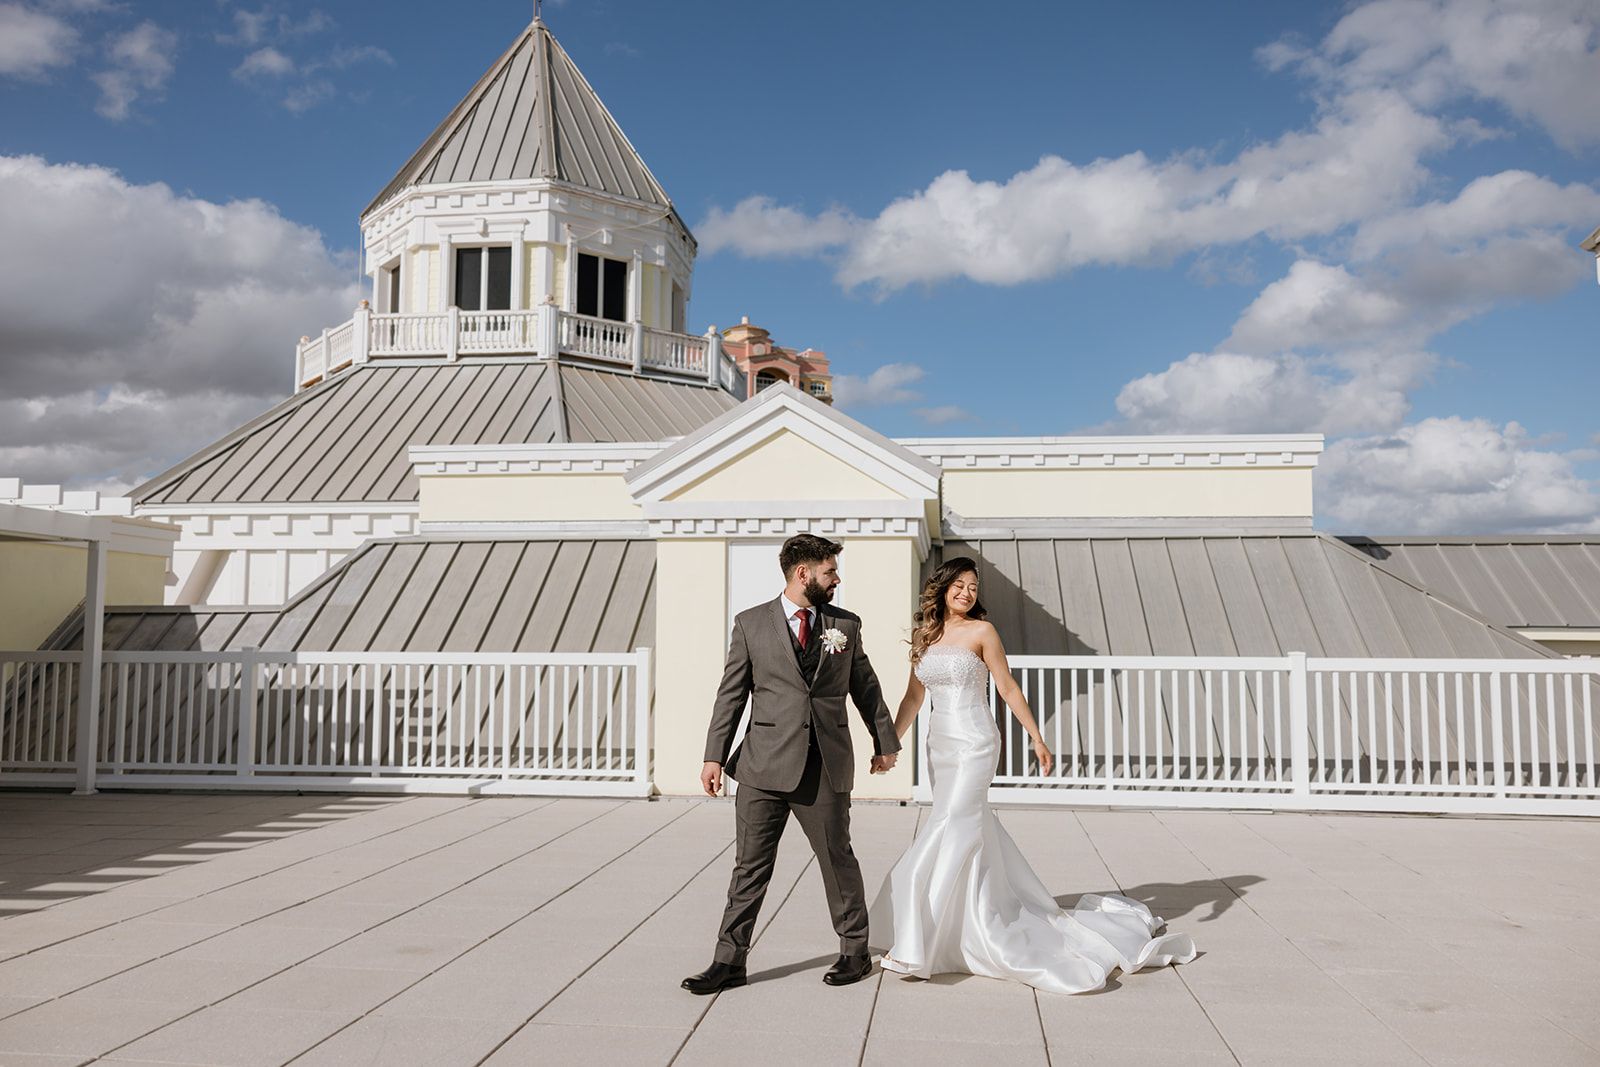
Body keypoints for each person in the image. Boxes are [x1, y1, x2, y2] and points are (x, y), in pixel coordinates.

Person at [869, 557, 1197, 994]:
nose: (967, 593)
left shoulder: (983, 632)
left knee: (953, 826)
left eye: (973, 586)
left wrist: (1036, 738)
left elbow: (1007, 687)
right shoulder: (924, 636)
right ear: (943, 587)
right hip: (940, 745)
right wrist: (890, 745)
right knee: (962, 827)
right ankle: (958, 928)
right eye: (960, 585)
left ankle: (917, 942)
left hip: (975, 740)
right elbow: (912, 698)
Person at [681, 534, 902, 994]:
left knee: (837, 860)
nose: (836, 579)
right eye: (829, 572)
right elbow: (732, 694)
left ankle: (855, 953)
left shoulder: (846, 624)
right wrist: (713, 756)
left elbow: (866, 687)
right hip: (761, 766)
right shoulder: (750, 624)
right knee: (749, 868)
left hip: (823, 765)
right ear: (803, 574)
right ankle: (729, 961)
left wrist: (885, 741)